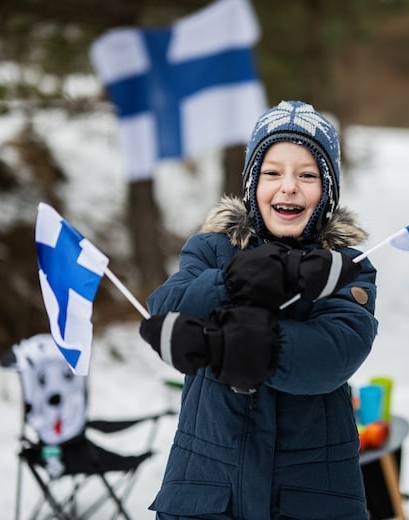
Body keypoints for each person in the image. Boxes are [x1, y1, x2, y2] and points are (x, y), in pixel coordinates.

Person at [139, 100, 378, 519]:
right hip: (208, 491)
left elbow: (336, 351)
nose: (289, 187)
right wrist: (229, 281)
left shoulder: (343, 267)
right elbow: (167, 312)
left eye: (307, 175)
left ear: (327, 191)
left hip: (310, 494)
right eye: (272, 173)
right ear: (251, 184)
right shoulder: (210, 249)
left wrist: (237, 346)